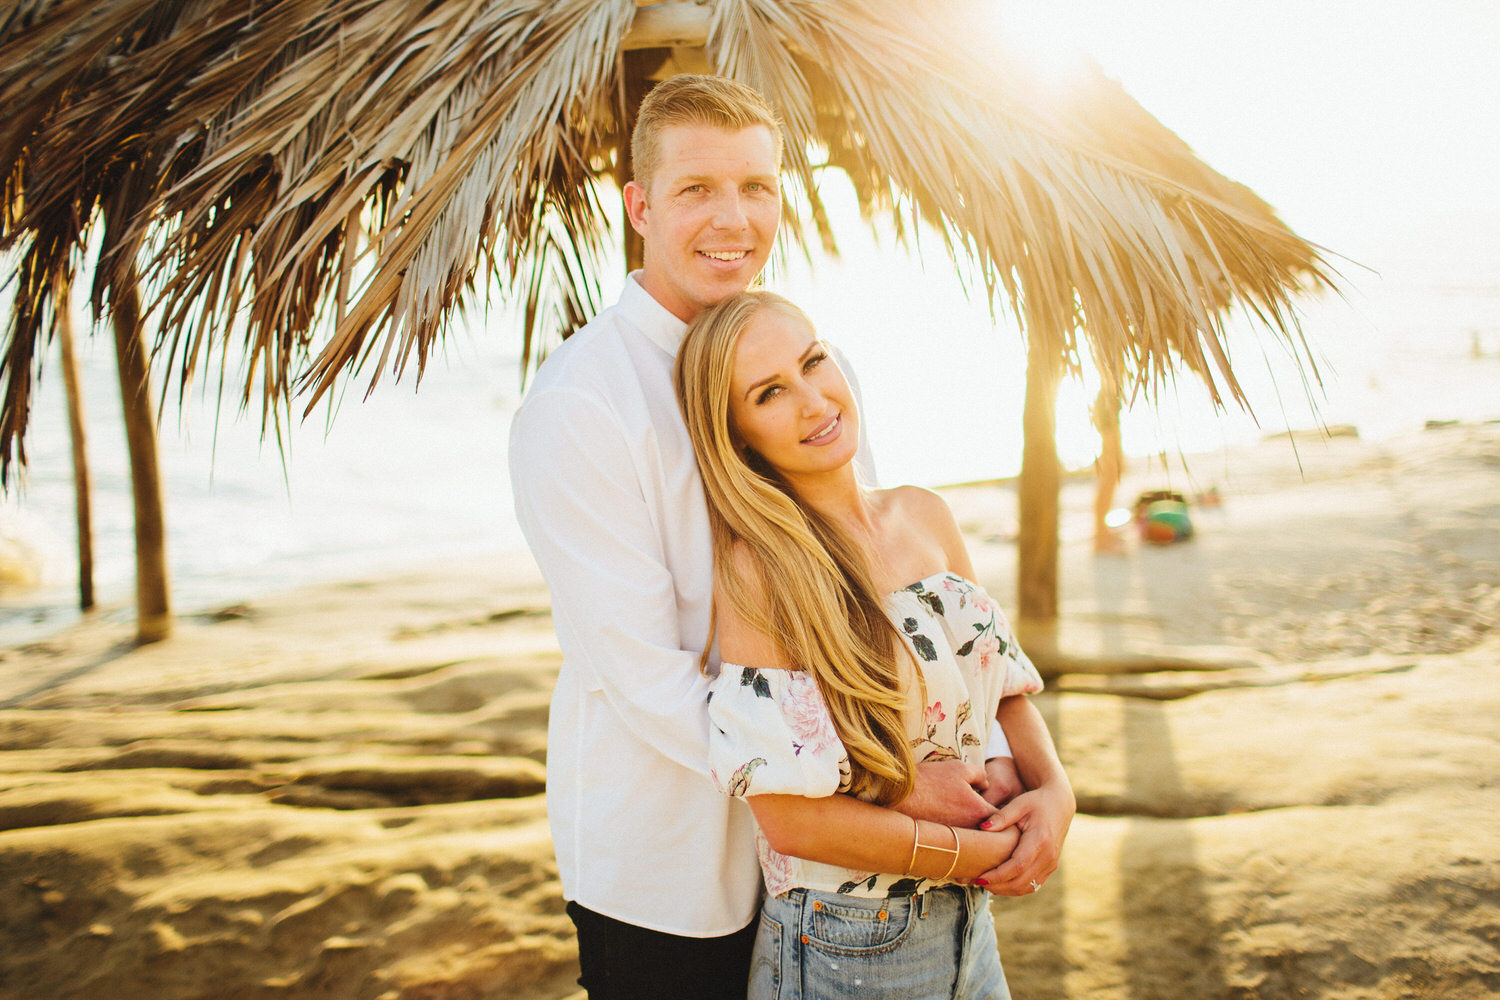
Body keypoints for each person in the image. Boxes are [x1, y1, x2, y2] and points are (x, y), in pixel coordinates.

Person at [509, 75, 1073, 999]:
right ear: (639, 205)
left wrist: (1016, 777)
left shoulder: (812, 360)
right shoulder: (581, 402)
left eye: (758, 187)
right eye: (697, 189)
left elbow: (868, 577)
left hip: (844, 874)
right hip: (675, 865)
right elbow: (640, 671)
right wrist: (874, 784)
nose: (734, 217)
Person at [674, 290, 1070, 999]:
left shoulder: (926, 514)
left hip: (968, 927)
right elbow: (787, 817)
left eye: (813, 362)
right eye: (769, 394)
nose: (813, 401)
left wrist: (1058, 796)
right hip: (843, 941)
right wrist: (980, 853)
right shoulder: (761, 571)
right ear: (738, 437)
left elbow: (1004, 684)